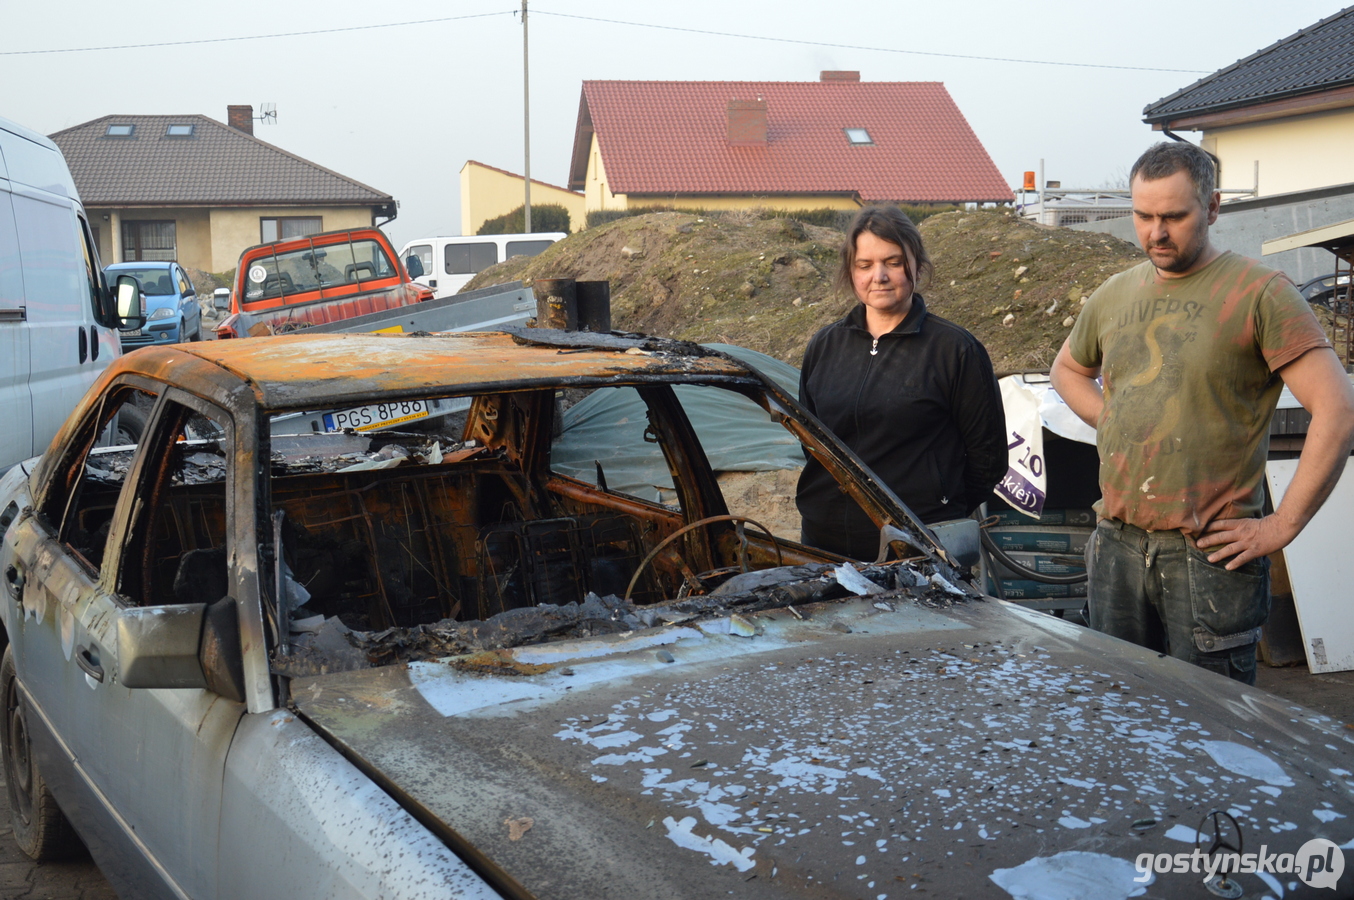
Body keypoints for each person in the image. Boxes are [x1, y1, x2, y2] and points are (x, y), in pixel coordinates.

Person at [1050, 141, 1354, 684]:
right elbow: (1067, 371)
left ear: (1212, 209)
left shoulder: (1262, 294)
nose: (1155, 233)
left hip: (1208, 556)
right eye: (1143, 216)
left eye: (1174, 216)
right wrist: (1119, 424)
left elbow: (1338, 410)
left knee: (1217, 734)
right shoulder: (1115, 293)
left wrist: (1280, 527)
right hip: (1116, 544)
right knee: (1121, 715)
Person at [796, 205, 1007, 561]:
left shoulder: (955, 350)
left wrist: (938, 508)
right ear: (851, 271)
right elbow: (811, 443)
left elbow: (988, 460)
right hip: (823, 541)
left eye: (892, 262)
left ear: (917, 266)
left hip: (915, 546)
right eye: (865, 265)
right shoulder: (824, 346)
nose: (878, 276)